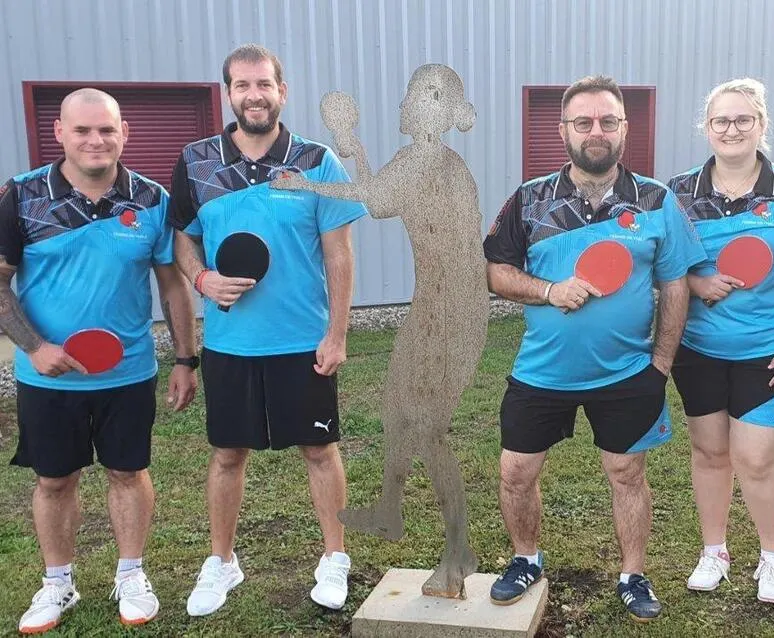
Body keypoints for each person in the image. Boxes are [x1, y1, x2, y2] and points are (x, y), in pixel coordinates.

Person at [482, 75, 705, 623]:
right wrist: (549, 291)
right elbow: (496, 272)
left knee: (627, 473)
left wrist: (660, 365)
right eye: (583, 122)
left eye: (608, 121)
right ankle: (526, 559)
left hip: (627, 373)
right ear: (564, 130)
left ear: (625, 128)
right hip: (543, 371)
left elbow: (675, 283)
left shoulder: (656, 201)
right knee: (516, 472)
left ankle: (633, 574)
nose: (596, 131)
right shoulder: (529, 200)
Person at [271, 64, 488, 599]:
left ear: (444, 110)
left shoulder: (434, 160)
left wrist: (307, 182)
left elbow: (372, 194)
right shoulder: (421, 158)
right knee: (396, 408)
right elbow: (379, 200)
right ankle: (390, 509)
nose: (410, 102)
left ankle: (458, 551)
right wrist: (353, 146)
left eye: (422, 95)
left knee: (429, 428)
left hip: (455, 307)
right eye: (411, 93)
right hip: (434, 301)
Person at [168, 44, 367, 616]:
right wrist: (201, 279)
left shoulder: (316, 161)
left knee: (319, 449)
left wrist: (337, 334)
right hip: (230, 343)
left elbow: (339, 253)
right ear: (228, 93)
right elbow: (183, 237)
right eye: (242, 85)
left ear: (282, 91)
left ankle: (334, 557)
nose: (254, 96)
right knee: (227, 454)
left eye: (264, 85)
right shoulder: (196, 161)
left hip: (301, 342)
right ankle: (222, 562)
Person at [0, 88, 199, 633]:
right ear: (59, 133)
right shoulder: (20, 196)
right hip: (48, 378)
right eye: (82, 130)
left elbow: (173, 286)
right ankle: (57, 583)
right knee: (53, 481)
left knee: (128, 472)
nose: (95, 140)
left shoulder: (152, 198)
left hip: (128, 373)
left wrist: (186, 359)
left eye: (106, 129)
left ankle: (131, 575)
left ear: (124, 133)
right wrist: (34, 347)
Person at [665, 78, 774, 605]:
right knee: (709, 452)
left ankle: (773, 557)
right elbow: (664, 263)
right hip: (699, 349)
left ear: (761, 125)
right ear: (707, 127)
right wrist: (698, 283)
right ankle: (714, 551)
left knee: (756, 459)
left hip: (769, 349)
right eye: (721, 120)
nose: (732, 129)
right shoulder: (678, 192)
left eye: (743, 119)